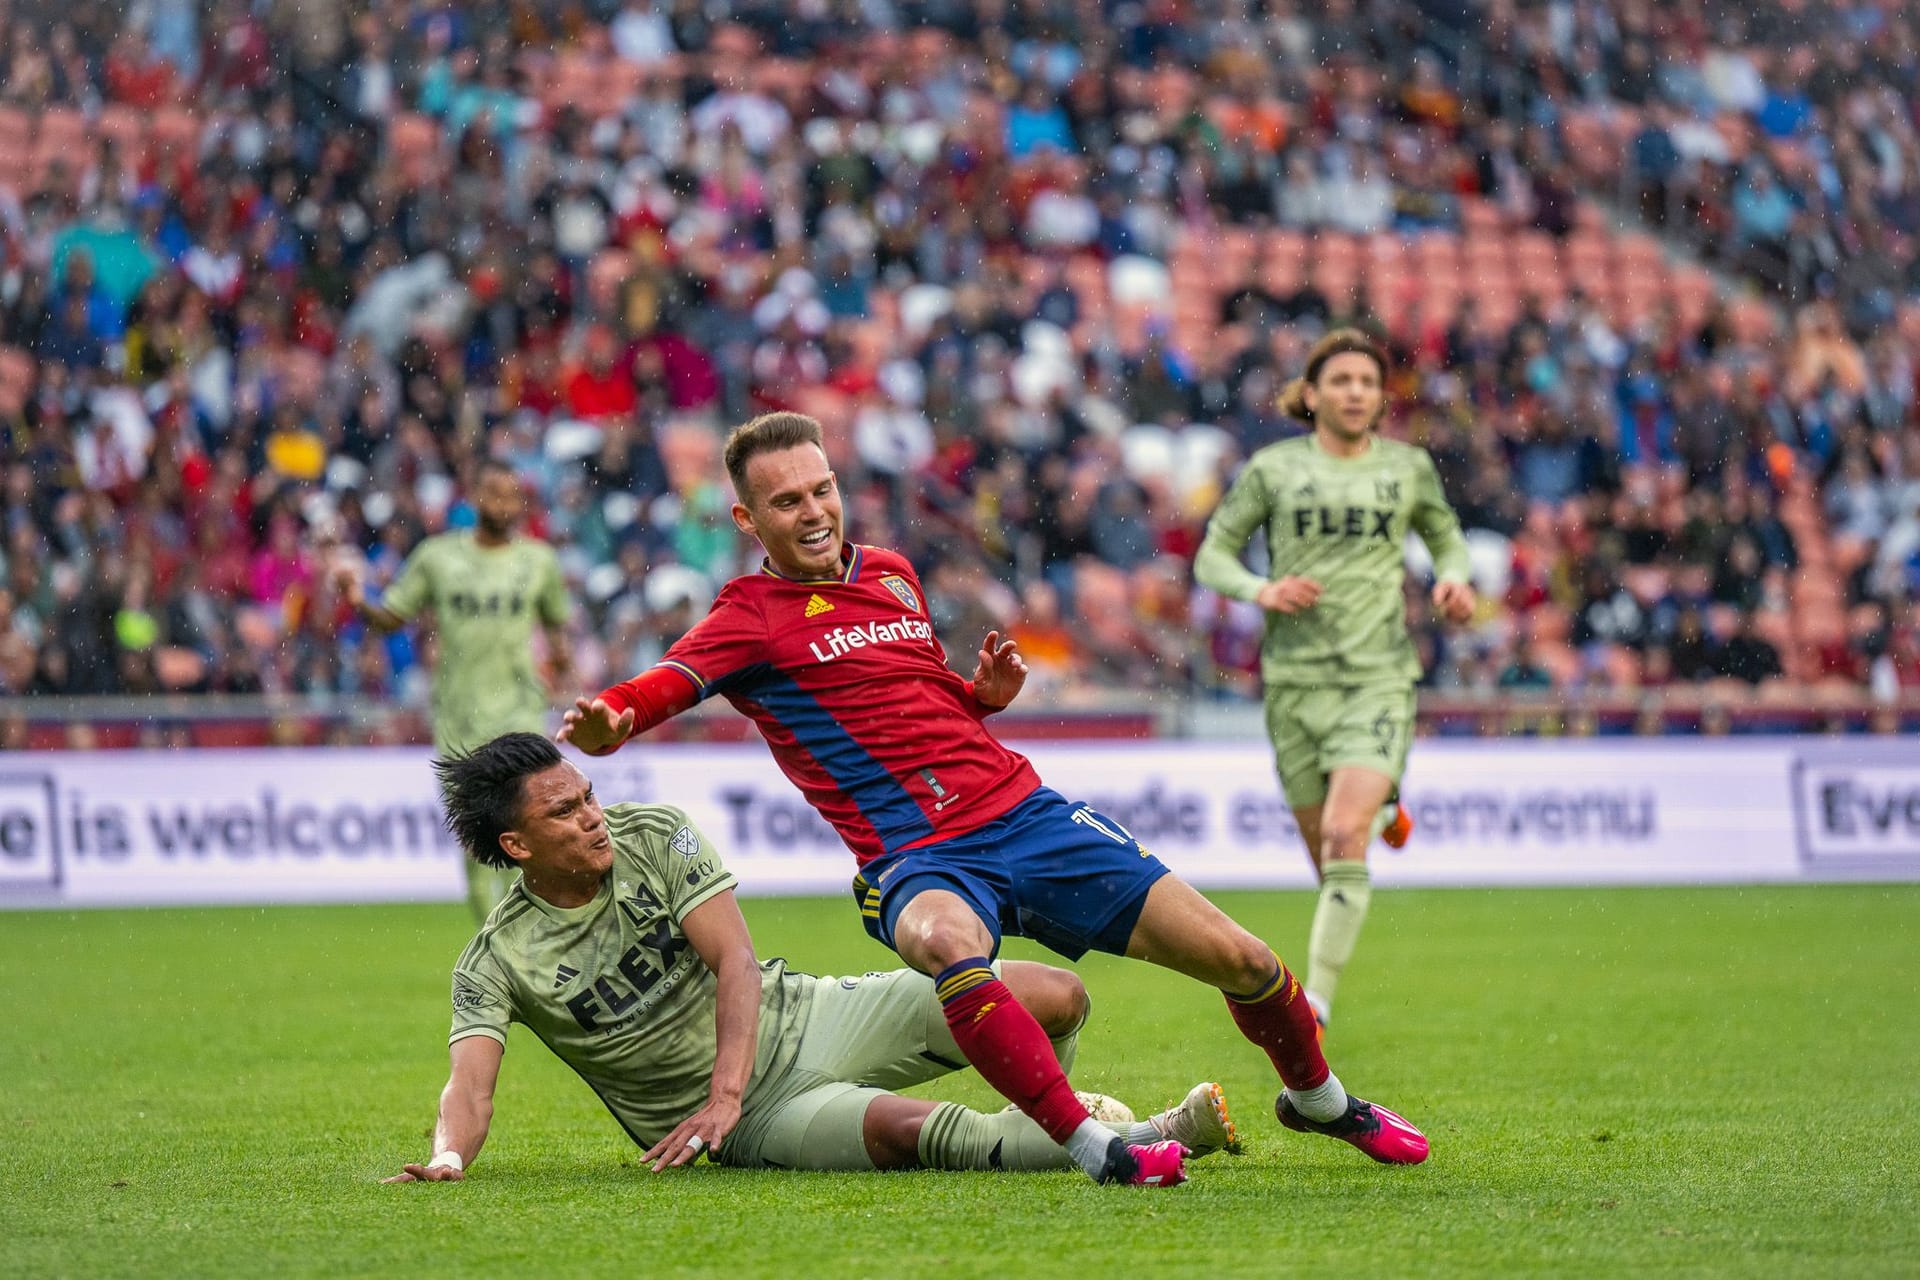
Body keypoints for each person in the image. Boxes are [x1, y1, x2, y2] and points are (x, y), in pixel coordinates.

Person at [558, 412, 1430, 1191]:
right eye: (786, 502)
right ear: (747, 520)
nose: (815, 511)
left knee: (1241, 959)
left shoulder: (894, 575)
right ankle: (1093, 1146)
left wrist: (981, 697)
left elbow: (917, 696)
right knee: (947, 944)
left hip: (1027, 816)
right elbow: (667, 681)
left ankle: (1320, 1099)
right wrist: (613, 720)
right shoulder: (750, 613)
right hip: (915, 855)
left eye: (822, 488)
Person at [384, 733, 1235, 1183]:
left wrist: (723, 1090)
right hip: (751, 1121)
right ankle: (1150, 1134)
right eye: (564, 812)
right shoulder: (494, 961)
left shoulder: (654, 832)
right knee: (923, 1138)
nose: (592, 815)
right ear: (516, 843)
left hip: (808, 1014)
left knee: (1059, 994)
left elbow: (737, 963)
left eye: (588, 795)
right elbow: (472, 1084)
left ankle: (1047, 1119)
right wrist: (451, 1158)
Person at [1194, 328, 1475, 1035]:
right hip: (1294, 684)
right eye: (1341, 380)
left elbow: (1445, 537)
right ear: (1311, 395)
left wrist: (1453, 579)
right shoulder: (1273, 470)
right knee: (1331, 859)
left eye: (1368, 382)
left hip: (1378, 674)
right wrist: (1261, 590)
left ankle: (1312, 1004)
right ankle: (1387, 802)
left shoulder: (1406, 468)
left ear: (1381, 399)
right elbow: (1213, 557)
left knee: (1346, 839)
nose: (1356, 392)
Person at [336, 460, 573, 919]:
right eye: (492, 493)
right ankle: (497, 938)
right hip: (459, 717)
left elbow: (558, 631)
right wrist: (357, 600)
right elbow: (392, 617)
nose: (501, 503)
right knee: (476, 842)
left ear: (520, 503)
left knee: (530, 829)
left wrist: (563, 668)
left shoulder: (539, 561)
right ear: (473, 496)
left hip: (520, 713)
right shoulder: (437, 557)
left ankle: (526, 937)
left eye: (509, 495)